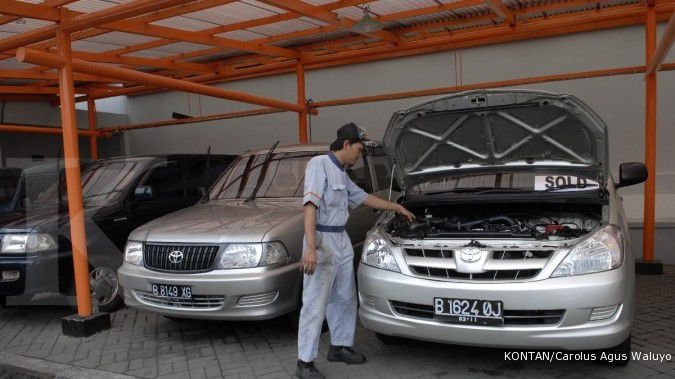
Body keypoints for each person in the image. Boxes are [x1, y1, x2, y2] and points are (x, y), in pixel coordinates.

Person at [296, 123, 415, 379]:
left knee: (345, 297)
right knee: (315, 303)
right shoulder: (319, 165)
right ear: (347, 144)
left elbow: (363, 197)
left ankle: (339, 346)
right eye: (359, 149)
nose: (360, 155)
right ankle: (304, 362)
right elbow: (310, 206)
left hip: (340, 239)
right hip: (321, 238)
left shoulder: (342, 173)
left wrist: (397, 208)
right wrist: (310, 248)